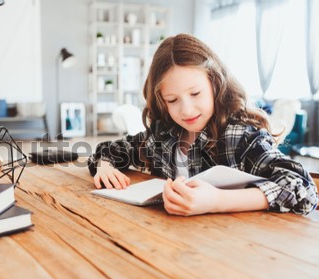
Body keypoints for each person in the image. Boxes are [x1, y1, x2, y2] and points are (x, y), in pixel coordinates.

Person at [88, 33, 318, 216]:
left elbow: (303, 189)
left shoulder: (239, 135)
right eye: (172, 100)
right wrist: (104, 166)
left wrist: (217, 200)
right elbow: (110, 149)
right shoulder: (164, 134)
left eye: (195, 93)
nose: (186, 110)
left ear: (215, 85)